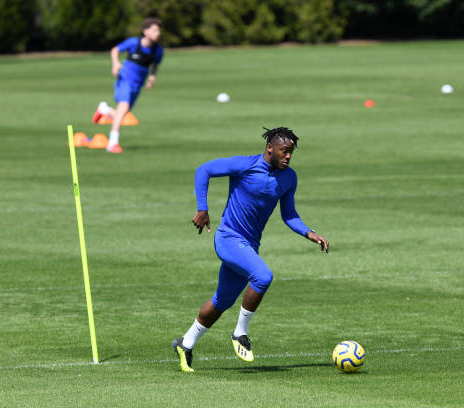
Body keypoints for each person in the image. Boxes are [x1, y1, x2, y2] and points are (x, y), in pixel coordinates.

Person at [172, 127, 330, 373]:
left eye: (291, 153)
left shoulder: (289, 178)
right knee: (263, 276)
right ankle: (240, 334)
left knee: (221, 301)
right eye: (284, 151)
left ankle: (186, 343)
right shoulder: (244, 165)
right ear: (270, 149)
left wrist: (308, 233)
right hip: (228, 238)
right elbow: (204, 170)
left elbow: (289, 214)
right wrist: (202, 209)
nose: (288, 157)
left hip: (249, 245)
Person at [92, 18, 164, 154]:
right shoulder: (134, 43)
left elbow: (155, 65)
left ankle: (105, 110)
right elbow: (115, 50)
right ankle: (112, 143)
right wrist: (115, 63)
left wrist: (152, 77)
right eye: (154, 30)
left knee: (122, 114)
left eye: (159, 30)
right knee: (123, 108)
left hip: (138, 84)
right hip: (125, 79)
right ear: (145, 31)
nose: (158, 33)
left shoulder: (158, 50)